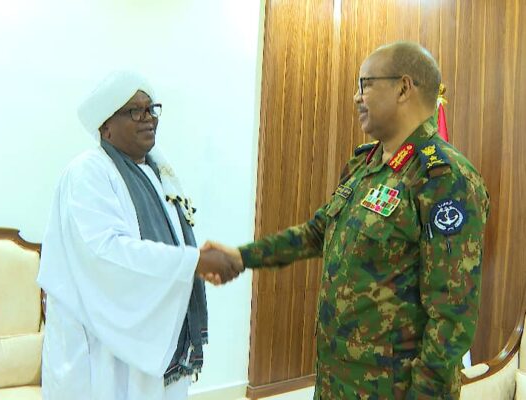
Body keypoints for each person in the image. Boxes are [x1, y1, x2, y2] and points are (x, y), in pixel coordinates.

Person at [202, 42, 490, 399]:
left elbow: (452, 315)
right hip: (335, 381)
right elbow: (316, 233)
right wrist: (242, 256)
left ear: (403, 88)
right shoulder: (365, 164)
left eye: (365, 84)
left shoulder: (444, 178)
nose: (356, 97)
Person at [37, 71, 240, 400]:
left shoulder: (158, 171)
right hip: (104, 344)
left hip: (157, 335)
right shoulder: (88, 172)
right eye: (134, 111)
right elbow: (106, 255)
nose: (148, 119)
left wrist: (193, 260)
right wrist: (192, 261)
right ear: (106, 126)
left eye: (151, 109)